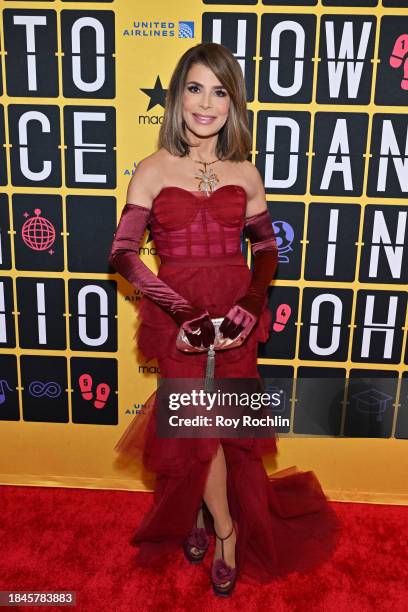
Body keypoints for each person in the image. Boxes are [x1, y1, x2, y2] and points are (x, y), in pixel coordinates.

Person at [109, 42, 340, 597]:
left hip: (237, 322)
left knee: (224, 434)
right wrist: (183, 312)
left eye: (219, 91)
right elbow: (122, 253)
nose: (205, 103)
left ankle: (206, 520)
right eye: (195, 88)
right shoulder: (152, 170)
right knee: (195, 435)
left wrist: (251, 306)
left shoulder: (245, 170)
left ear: (232, 103)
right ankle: (225, 531)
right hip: (177, 320)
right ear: (177, 96)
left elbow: (265, 251)